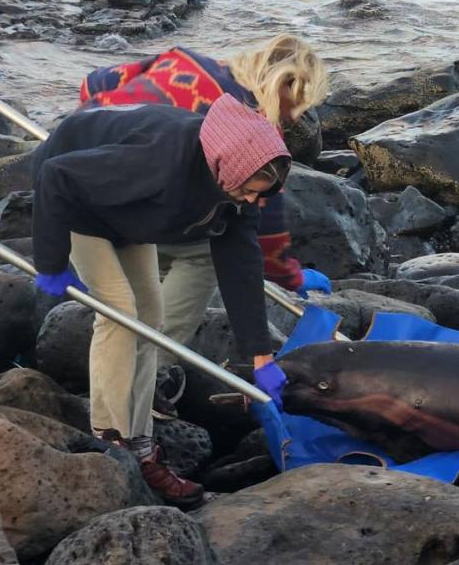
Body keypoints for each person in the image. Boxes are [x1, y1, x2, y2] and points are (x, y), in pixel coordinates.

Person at [32, 95, 292, 508]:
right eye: (247, 191)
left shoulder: (241, 191)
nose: (250, 201)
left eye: (260, 195)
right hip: (77, 203)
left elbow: (241, 267)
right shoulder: (161, 162)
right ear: (228, 167)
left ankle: (140, 445)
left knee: (150, 317)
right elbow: (56, 175)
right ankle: (109, 441)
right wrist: (50, 259)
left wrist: (260, 355)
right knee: (120, 313)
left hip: (129, 215)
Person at [78, 36, 331, 416]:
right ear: (283, 84)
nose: (294, 117)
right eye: (295, 105)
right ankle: (150, 369)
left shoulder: (184, 60)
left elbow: (95, 83)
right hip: (116, 206)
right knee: (204, 251)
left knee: (175, 232)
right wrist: (290, 277)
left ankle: (133, 331)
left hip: (88, 163)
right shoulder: (247, 124)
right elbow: (257, 224)